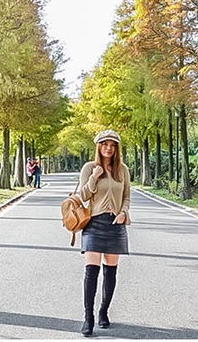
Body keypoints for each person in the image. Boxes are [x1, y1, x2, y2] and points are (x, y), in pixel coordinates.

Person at [77, 129, 131, 337]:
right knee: (91, 271)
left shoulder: (122, 170)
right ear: (98, 146)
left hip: (116, 224)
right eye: (105, 144)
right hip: (93, 223)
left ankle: (103, 311)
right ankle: (88, 318)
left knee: (110, 271)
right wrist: (94, 177)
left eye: (113, 144)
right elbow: (83, 195)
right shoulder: (89, 167)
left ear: (117, 148)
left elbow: (127, 196)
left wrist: (124, 213)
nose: (109, 148)